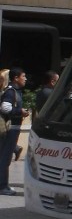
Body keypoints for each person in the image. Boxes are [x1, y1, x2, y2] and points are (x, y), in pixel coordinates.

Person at [0, 68, 29, 196]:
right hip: (10, 129)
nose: (26, 78)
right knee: (4, 159)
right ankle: (2, 186)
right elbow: (5, 108)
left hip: (13, 129)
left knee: (5, 158)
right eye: (24, 76)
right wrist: (20, 112)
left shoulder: (15, 91)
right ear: (16, 78)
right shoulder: (11, 92)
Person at [0, 68, 21, 162]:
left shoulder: (8, 91)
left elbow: (5, 108)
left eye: (1, 78)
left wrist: (19, 111)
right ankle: (16, 149)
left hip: (5, 126)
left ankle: (15, 149)